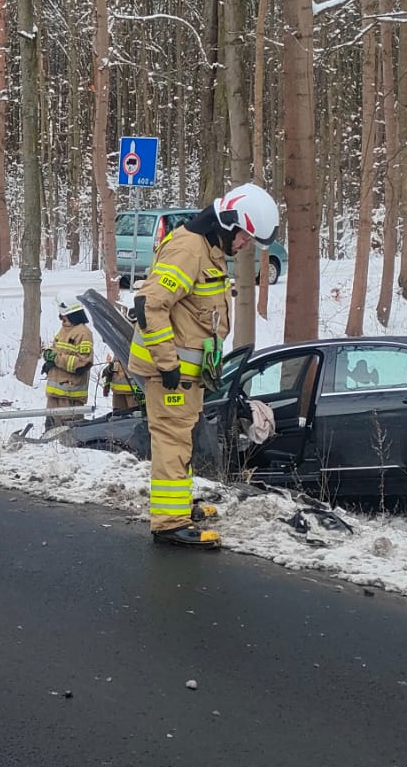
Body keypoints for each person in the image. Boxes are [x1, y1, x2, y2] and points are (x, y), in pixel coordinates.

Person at [126, 182, 278, 548]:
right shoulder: (188, 250)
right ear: (229, 222)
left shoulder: (206, 249)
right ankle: (169, 523)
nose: (243, 246)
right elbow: (150, 304)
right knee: (172, 441)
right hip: (170, 375)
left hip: (186, 375)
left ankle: (176, 505)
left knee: (182, 440)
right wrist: (167, 365)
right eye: (244, 238)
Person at [43, 297, 94, 428]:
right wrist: (48, 355)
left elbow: (83, 364)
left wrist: (55, 358)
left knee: (70, 433)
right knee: (50, 432)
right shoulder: (64, 330)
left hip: (70, 395)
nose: (61, 319)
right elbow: (56, 349)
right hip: (54, 394)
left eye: (63, 316)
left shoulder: (83, 333)